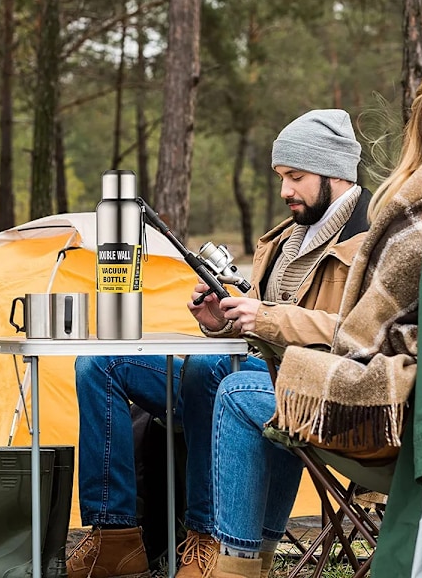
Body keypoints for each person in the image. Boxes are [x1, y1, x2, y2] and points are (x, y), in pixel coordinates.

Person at [218, 63, 422, 578]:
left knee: (238, 392)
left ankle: (235, 564)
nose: (285, 191)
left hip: (406, 433)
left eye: (295, 176)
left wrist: (275, 331)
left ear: (417, 138)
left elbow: (360, 345)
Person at [67, 109, 372, 578]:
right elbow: (260, 322)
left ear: (334, 173)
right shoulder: (285, 239)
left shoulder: (371, 238)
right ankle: (115, 536)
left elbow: (362, 333)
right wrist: (222, 320)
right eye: (281, 177)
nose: (285, 190)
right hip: (254, 368)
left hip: (321, 384)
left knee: (209, 370)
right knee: (100, 362)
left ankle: (208, 539)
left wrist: (264, 318)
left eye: (296, 176)